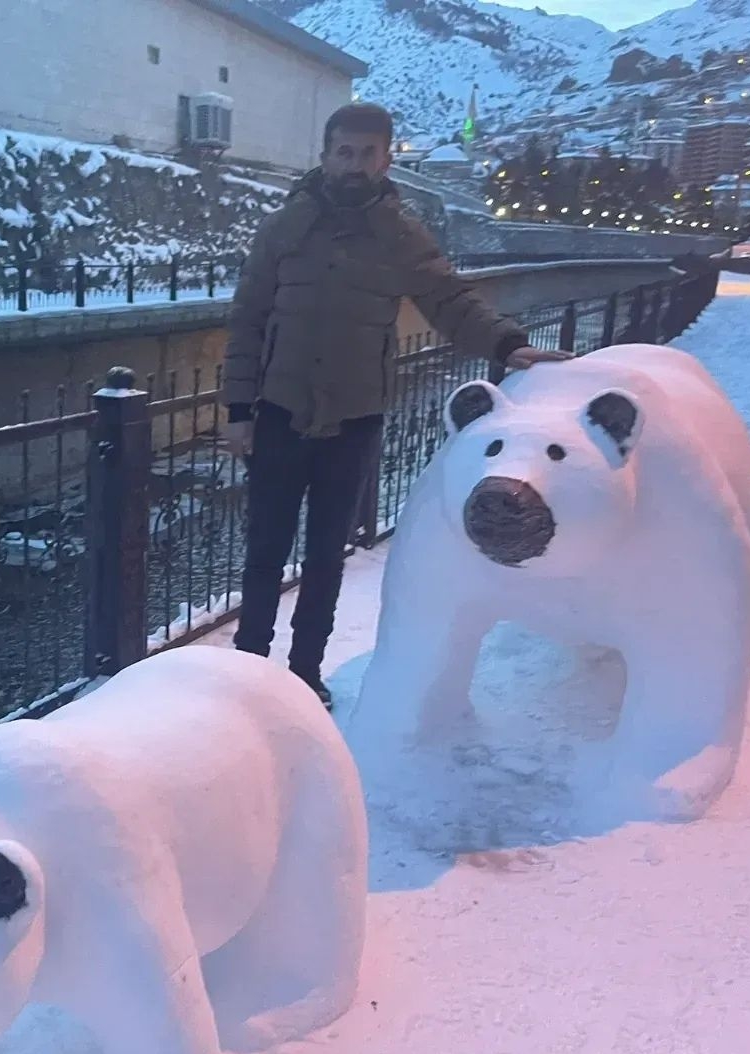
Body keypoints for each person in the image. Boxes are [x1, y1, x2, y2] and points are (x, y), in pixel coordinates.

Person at [222, 102, 569, 709]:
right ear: (326, 155)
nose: (355, 165)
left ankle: (304, 672)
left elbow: (451, 299)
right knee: (265, 550)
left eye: (368, 153)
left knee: (327, 554)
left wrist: (508, 344)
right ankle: (249, 669)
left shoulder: (401, 235)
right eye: (344, 152)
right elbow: (247, 321)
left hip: (354, 419)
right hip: (279, 412)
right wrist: (237, 411)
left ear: (386, 158)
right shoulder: (284, 228)